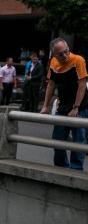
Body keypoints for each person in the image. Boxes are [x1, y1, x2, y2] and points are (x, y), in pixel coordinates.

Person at [41, 38, 88, 170]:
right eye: (60, 54)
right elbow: (51, 84)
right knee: (57, 140)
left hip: (79, 106)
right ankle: (61, 167)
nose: (65, 55)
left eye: (66, 51)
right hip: (62, 106)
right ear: (54, 54)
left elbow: (82, 84)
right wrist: (45, 105)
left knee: (78, 141)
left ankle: (76, 169)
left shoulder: (78, 60)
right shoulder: (53, 62)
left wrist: (76, 107)